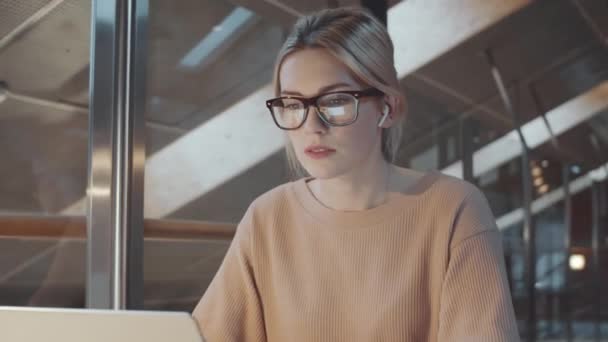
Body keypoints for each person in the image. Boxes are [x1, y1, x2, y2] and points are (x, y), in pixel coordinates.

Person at [193, 6, 519, 342]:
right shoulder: (267, 217)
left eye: (335, 101)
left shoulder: (453, 209)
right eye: (293, 104)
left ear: (388, 108)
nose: (312, 126)